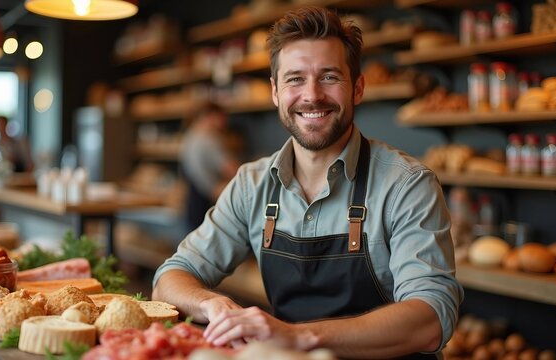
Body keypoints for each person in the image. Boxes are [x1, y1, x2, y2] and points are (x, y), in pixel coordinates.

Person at [153, 6, 463, 359]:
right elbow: (171, 278)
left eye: (329, 77)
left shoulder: (406, 185)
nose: (312, 95)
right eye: (295, 78)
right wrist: (212, 304)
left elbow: (430, 318)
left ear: (357, 88)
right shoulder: (251, 184)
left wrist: (300, 337)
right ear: (275, 92)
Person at [179, 102, 240, 231]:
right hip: (208, 204)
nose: (225, 122)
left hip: (193, 202)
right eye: (222, 117)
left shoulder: (190, 135)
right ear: (211, 116)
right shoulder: (208, 139)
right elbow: (233, 170)